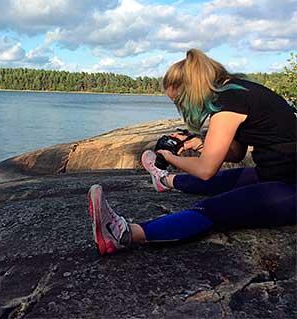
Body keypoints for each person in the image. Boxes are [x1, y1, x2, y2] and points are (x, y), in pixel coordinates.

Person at [88, 48, 296, 256]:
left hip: (289, 185)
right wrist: (197, 145)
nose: (182, 107)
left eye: (180, 101)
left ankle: (123, 235)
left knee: (210, 209)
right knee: (227, 180)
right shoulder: (237, 92)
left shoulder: (229, 105)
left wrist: (170, 157)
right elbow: (236, 154)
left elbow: (206, 169)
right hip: (277, 172)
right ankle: (164, 180)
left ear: (191, 91)